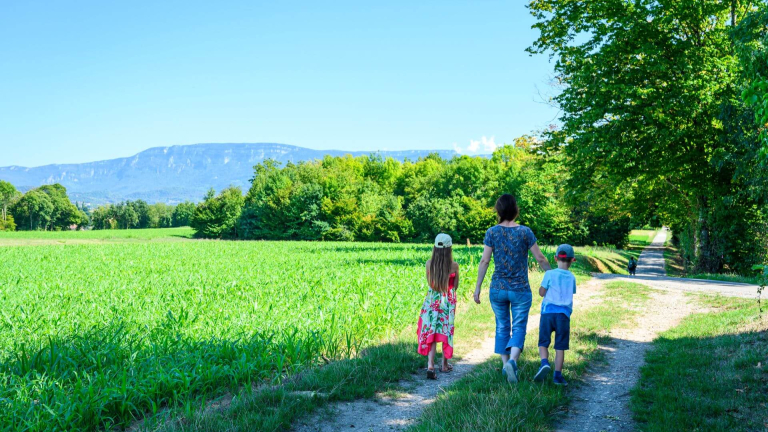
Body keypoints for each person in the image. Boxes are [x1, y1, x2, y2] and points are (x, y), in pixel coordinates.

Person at [474, 194, 552, 383]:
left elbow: (485, 261)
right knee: (518, 327)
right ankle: (513, 362)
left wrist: (477, 288)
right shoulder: (525, 232)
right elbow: (540, 258)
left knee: (501, 326)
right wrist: (553, 277)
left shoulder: (492, 232)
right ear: (515, 210)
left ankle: (505, 364)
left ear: (498, 211)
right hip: (520, 290)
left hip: (498, 288)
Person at [417, 233, 460, 380]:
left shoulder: (429, 264)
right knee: (446, 330)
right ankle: (444, 365)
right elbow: (455, 286)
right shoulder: (454, 266)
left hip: (432, 301)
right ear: (450, 248)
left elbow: (430, 284)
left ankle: (430, 365)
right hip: (447, 302)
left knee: (432, 331)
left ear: (435, 247)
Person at [534, 244, 577, 386]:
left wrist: (543, 289)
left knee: (543, 341)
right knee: (560, 346)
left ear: (555, 258)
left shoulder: (549, 274)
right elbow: (571, 293)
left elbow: (541, 292)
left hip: (548, 313)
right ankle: (557, 376)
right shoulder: (572, 277)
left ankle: (544, 363)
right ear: (572, 260)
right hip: (563, 315)